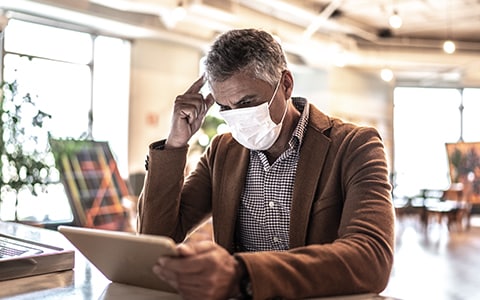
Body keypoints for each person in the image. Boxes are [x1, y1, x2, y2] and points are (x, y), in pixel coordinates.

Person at [137, 28, 395, 300]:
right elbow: (156, 239)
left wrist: (244, 274)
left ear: (285, 84)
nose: (238, 117)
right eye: (225, 108)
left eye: (247, 103)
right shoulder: (222, 152)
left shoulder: (354, 146)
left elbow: (372, 257)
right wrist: (175, 145)